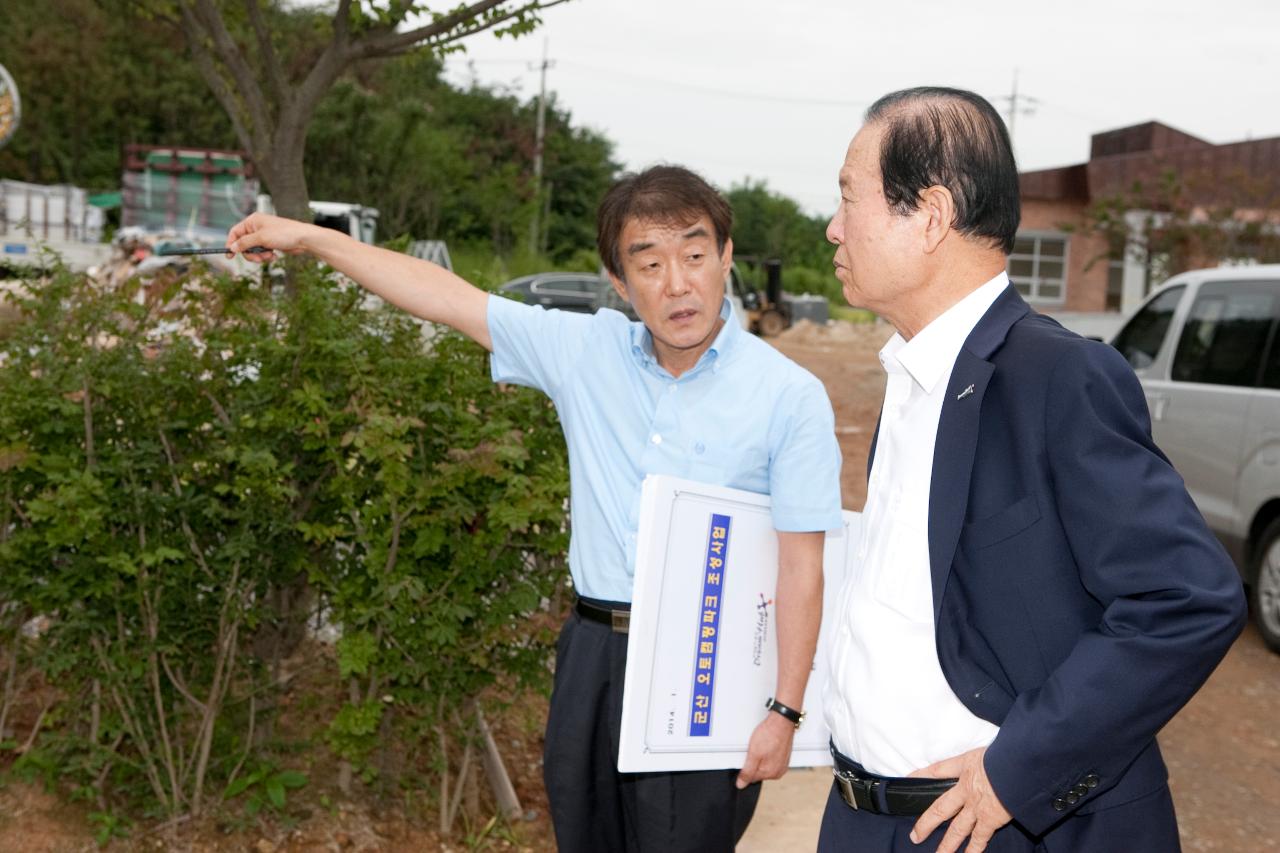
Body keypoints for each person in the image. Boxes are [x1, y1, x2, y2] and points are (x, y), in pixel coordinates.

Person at [225, 165, 844, 852]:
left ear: (726, 258)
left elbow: (802, 567)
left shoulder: (789, 396)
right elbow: (447, 298)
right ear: (619, 280)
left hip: (702, 665)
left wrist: (784, 709)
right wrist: (312, 239)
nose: (678, 283)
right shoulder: (585, 351)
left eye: (696, 256)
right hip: (590, 652)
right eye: (650, 262)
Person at [817, 87, 1247, 853]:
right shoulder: (914, 377)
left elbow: (1187, 599)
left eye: (851, 198)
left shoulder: (1056, 377)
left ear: (932, 215)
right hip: (861, 816)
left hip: (992, 825)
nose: (833, 226)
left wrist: (1017, 772)